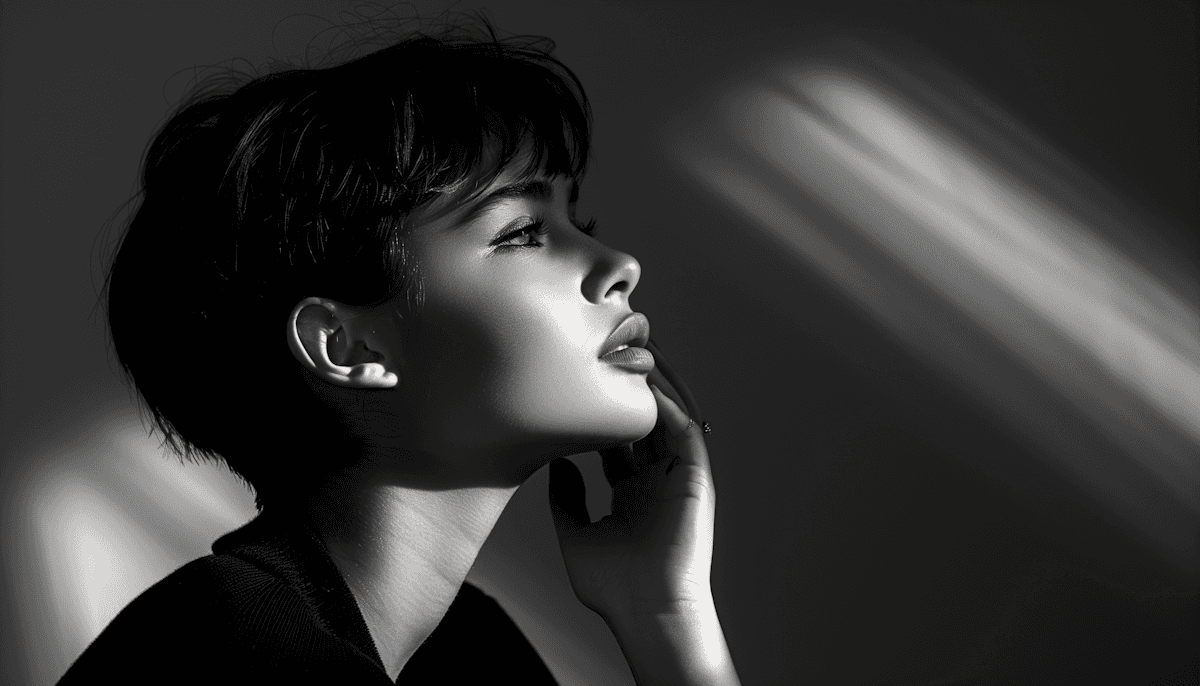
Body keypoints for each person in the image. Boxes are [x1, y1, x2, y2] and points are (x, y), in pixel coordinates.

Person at [61, 15, 740, 685]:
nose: (620, 263)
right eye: (525, 232)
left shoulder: (471, 652)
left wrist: (665, 613)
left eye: (578, 221)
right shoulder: (233, 656)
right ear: (347, 345)